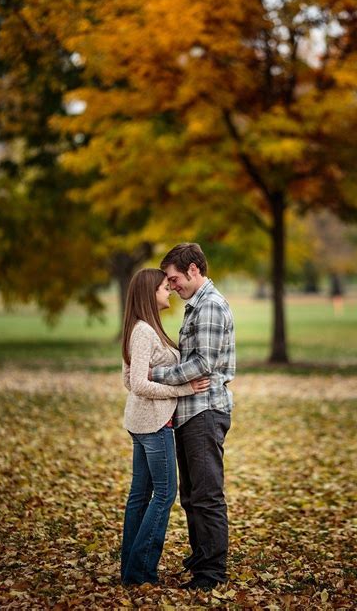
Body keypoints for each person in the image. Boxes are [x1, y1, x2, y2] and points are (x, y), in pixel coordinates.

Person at [150, 243, 236, 591]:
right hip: (190, 411)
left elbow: (203, 364)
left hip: (204, 411)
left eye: (174, 279)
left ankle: (211, 574)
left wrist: (153, 376)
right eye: (168, 282)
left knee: (206, 495)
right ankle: (201, 561)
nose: (172, 287)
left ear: (194, 270)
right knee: (191, 495)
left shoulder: (210, 306)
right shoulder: (195, 307)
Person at [120, 268, 210, 587]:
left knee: (140, 495)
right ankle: (140, 570)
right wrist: (183, 389)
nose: (168, 291)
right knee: (165, 493)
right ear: (149, 294)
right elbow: (137, 383)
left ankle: (131, 571)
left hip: (141, 422)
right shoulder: (144, 331)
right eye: (162, 287)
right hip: (154, 424)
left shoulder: (141, 328)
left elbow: (128, 379)